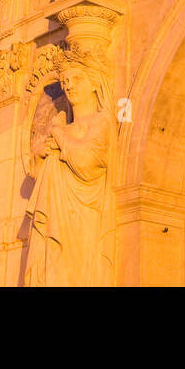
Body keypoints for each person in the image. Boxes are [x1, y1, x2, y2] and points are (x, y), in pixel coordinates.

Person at [23, 46, 116, 286]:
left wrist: (57, 132)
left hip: (83, 212)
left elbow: (85, 162)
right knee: (53, 264)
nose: (69, 86)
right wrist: (40, 155)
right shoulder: (65, 125)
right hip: (57, 207)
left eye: (77, 79)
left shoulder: (101, 120)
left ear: (94, 83)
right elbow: (39, 176)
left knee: (77, 270)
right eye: (65, 81)